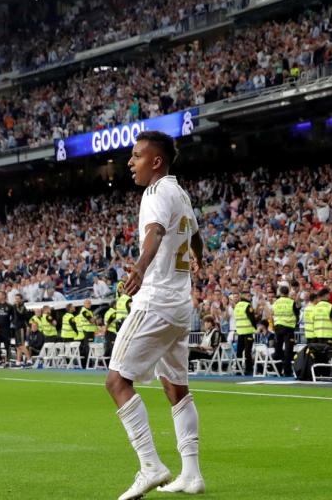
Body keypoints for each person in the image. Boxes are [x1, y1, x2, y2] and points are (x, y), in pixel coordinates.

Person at [105, 131, 205, 498]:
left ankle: (150, 464)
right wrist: (198, 256)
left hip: (156, 301)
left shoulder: (156, 193)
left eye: (136, 156)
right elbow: (194, 234)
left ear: (156, 161)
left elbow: (155, 232)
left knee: (117, 382)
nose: (130, 162)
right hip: (180, 305)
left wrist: (140, 268)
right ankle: (191, 474)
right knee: (176, 388)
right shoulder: (180, 193)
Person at [271, 286, 298, 376]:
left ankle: (277, 371)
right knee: (288, 350)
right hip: (288, 328)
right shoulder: (291, 302)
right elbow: (297, 313)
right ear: (288, 292)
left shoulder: (276, 302)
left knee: (277, 349)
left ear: (280, 292)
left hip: (278, 327)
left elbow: (272, 313)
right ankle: (287, 371)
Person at [232, 290, 257, 375]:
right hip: (248, 331)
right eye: (249, 296)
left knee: (239, 352)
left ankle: (238, 369)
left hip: (240, 331)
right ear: (245, 296)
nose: (250, 298)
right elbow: (252, 318)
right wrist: (256, 327)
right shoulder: (247, 305)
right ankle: (248, 369)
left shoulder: (237, 306)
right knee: (247, 352)